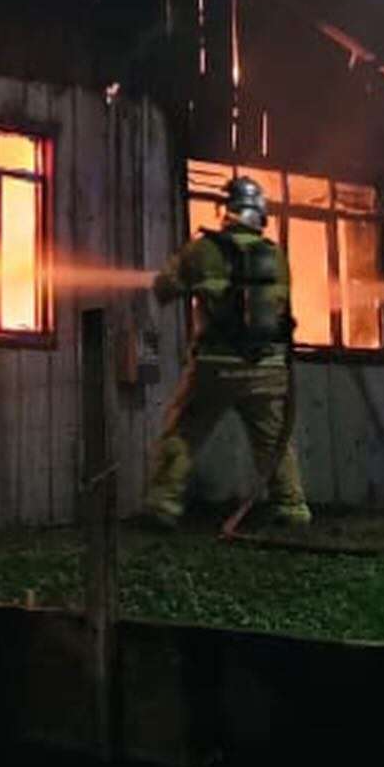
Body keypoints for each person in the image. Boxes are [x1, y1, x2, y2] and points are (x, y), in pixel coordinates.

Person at [140, 174, 311, 530]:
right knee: (274, 442)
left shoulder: (202, 249)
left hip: (216, 366)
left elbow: (163, 288)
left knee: (183, 432)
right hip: (267, 367)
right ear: (260, 214)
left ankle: (163, 505)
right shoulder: (275, 255)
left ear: (228, 211)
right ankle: (293, 508)